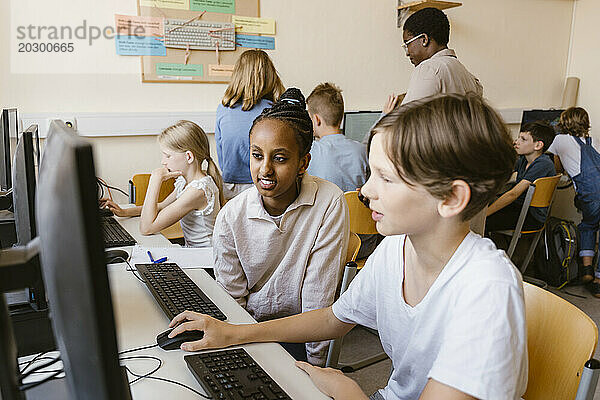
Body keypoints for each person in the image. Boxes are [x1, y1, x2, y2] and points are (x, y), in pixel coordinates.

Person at [166, 94, 528, 400]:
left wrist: (349, 393)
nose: (367, 190)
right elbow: (333, 318)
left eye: (385, 177)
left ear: (450, 198)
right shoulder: (396, 249)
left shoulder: (487, 287)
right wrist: (236, 332)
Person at [211, 88, 349, 366]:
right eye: (257, 155)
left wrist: (314, 371)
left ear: (303, 163)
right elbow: (232, 301)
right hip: (246, 332)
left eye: (280, 158)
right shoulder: (231, 217)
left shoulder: (329, 201)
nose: (265, 169)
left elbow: (317, 299)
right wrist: (239, 356)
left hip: (300, 334)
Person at [101, 120, 223, 248]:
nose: (163, 162)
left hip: (206, 260)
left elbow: (147, 228)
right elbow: (161, 207)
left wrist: (155, 180)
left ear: (189, 157)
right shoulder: (186, 182)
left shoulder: (198, 191)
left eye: (167, 156)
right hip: (193, 253)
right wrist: (125, 212)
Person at [215, 49, 285, 200]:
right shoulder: (274, 110)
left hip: (229, 185)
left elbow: (221, 151)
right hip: (264, 184)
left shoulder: (223, 108)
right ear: (269, 76)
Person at [383, 7, 483, 113]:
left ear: (424, 40)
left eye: (408, 44)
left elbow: (407, 122)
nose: (407, 53)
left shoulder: (429, 68)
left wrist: (386, 115)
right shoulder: (468, 76)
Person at [548, 107, 600, 297]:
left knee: (588, 225)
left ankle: (586, 269)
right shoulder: (594, 140)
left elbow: (557, 166)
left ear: (564, 122)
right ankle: (598, 279)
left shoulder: (559, 140)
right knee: (593, 226)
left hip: (589, 194)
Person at [485, 121, 556, 234]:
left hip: (532, 216)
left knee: (483, 221)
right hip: (520, 207)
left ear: (538, 145)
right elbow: (501, 171)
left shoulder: (543, 164)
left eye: (523, 139)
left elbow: (513, 194)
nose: (516, 142)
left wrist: (486, 213)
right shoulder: (524, 159)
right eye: (518, 138)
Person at [306, 82, 368, 192]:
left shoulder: (311, 151)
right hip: (355, 209)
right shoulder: (361, 150)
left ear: (316, 119)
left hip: (327, 209)